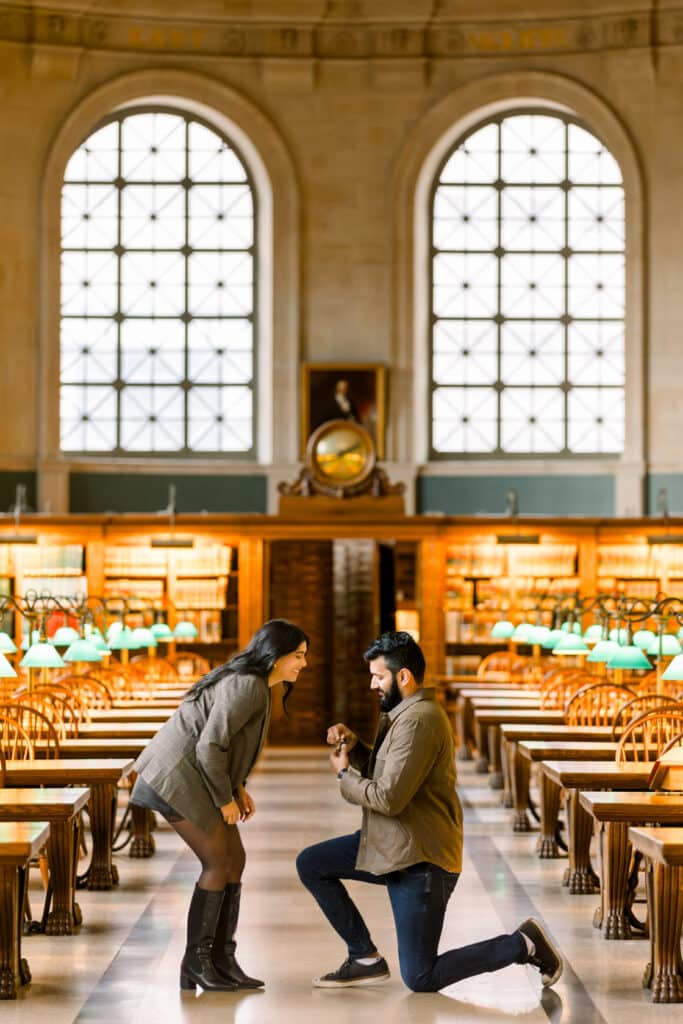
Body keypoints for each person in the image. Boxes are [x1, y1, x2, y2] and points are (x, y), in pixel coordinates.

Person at [296, 630, 562, 993]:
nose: (373, 684)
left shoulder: (419, 720)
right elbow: (391, 774)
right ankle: (364, 957)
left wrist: (344, 775)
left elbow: (389, 797)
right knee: (313, 863)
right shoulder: (405, 714)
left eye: (379, 676)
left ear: (402, 676)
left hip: (421, 862)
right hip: (392, 846)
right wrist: (357, 747)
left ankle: (523, 944)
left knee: (421, 977)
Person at [131, 618, 309, 992]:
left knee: (235, 859)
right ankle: (196, 961)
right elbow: (210, 746)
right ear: (276, 656)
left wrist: (238, 788)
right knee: (217, 862)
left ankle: (221, 958)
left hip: (194, 775)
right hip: (174, 778)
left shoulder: (258, 686)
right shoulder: (248, 686)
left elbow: (230, 746)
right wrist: (224, 799)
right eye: (298, 655)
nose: (303, 664)